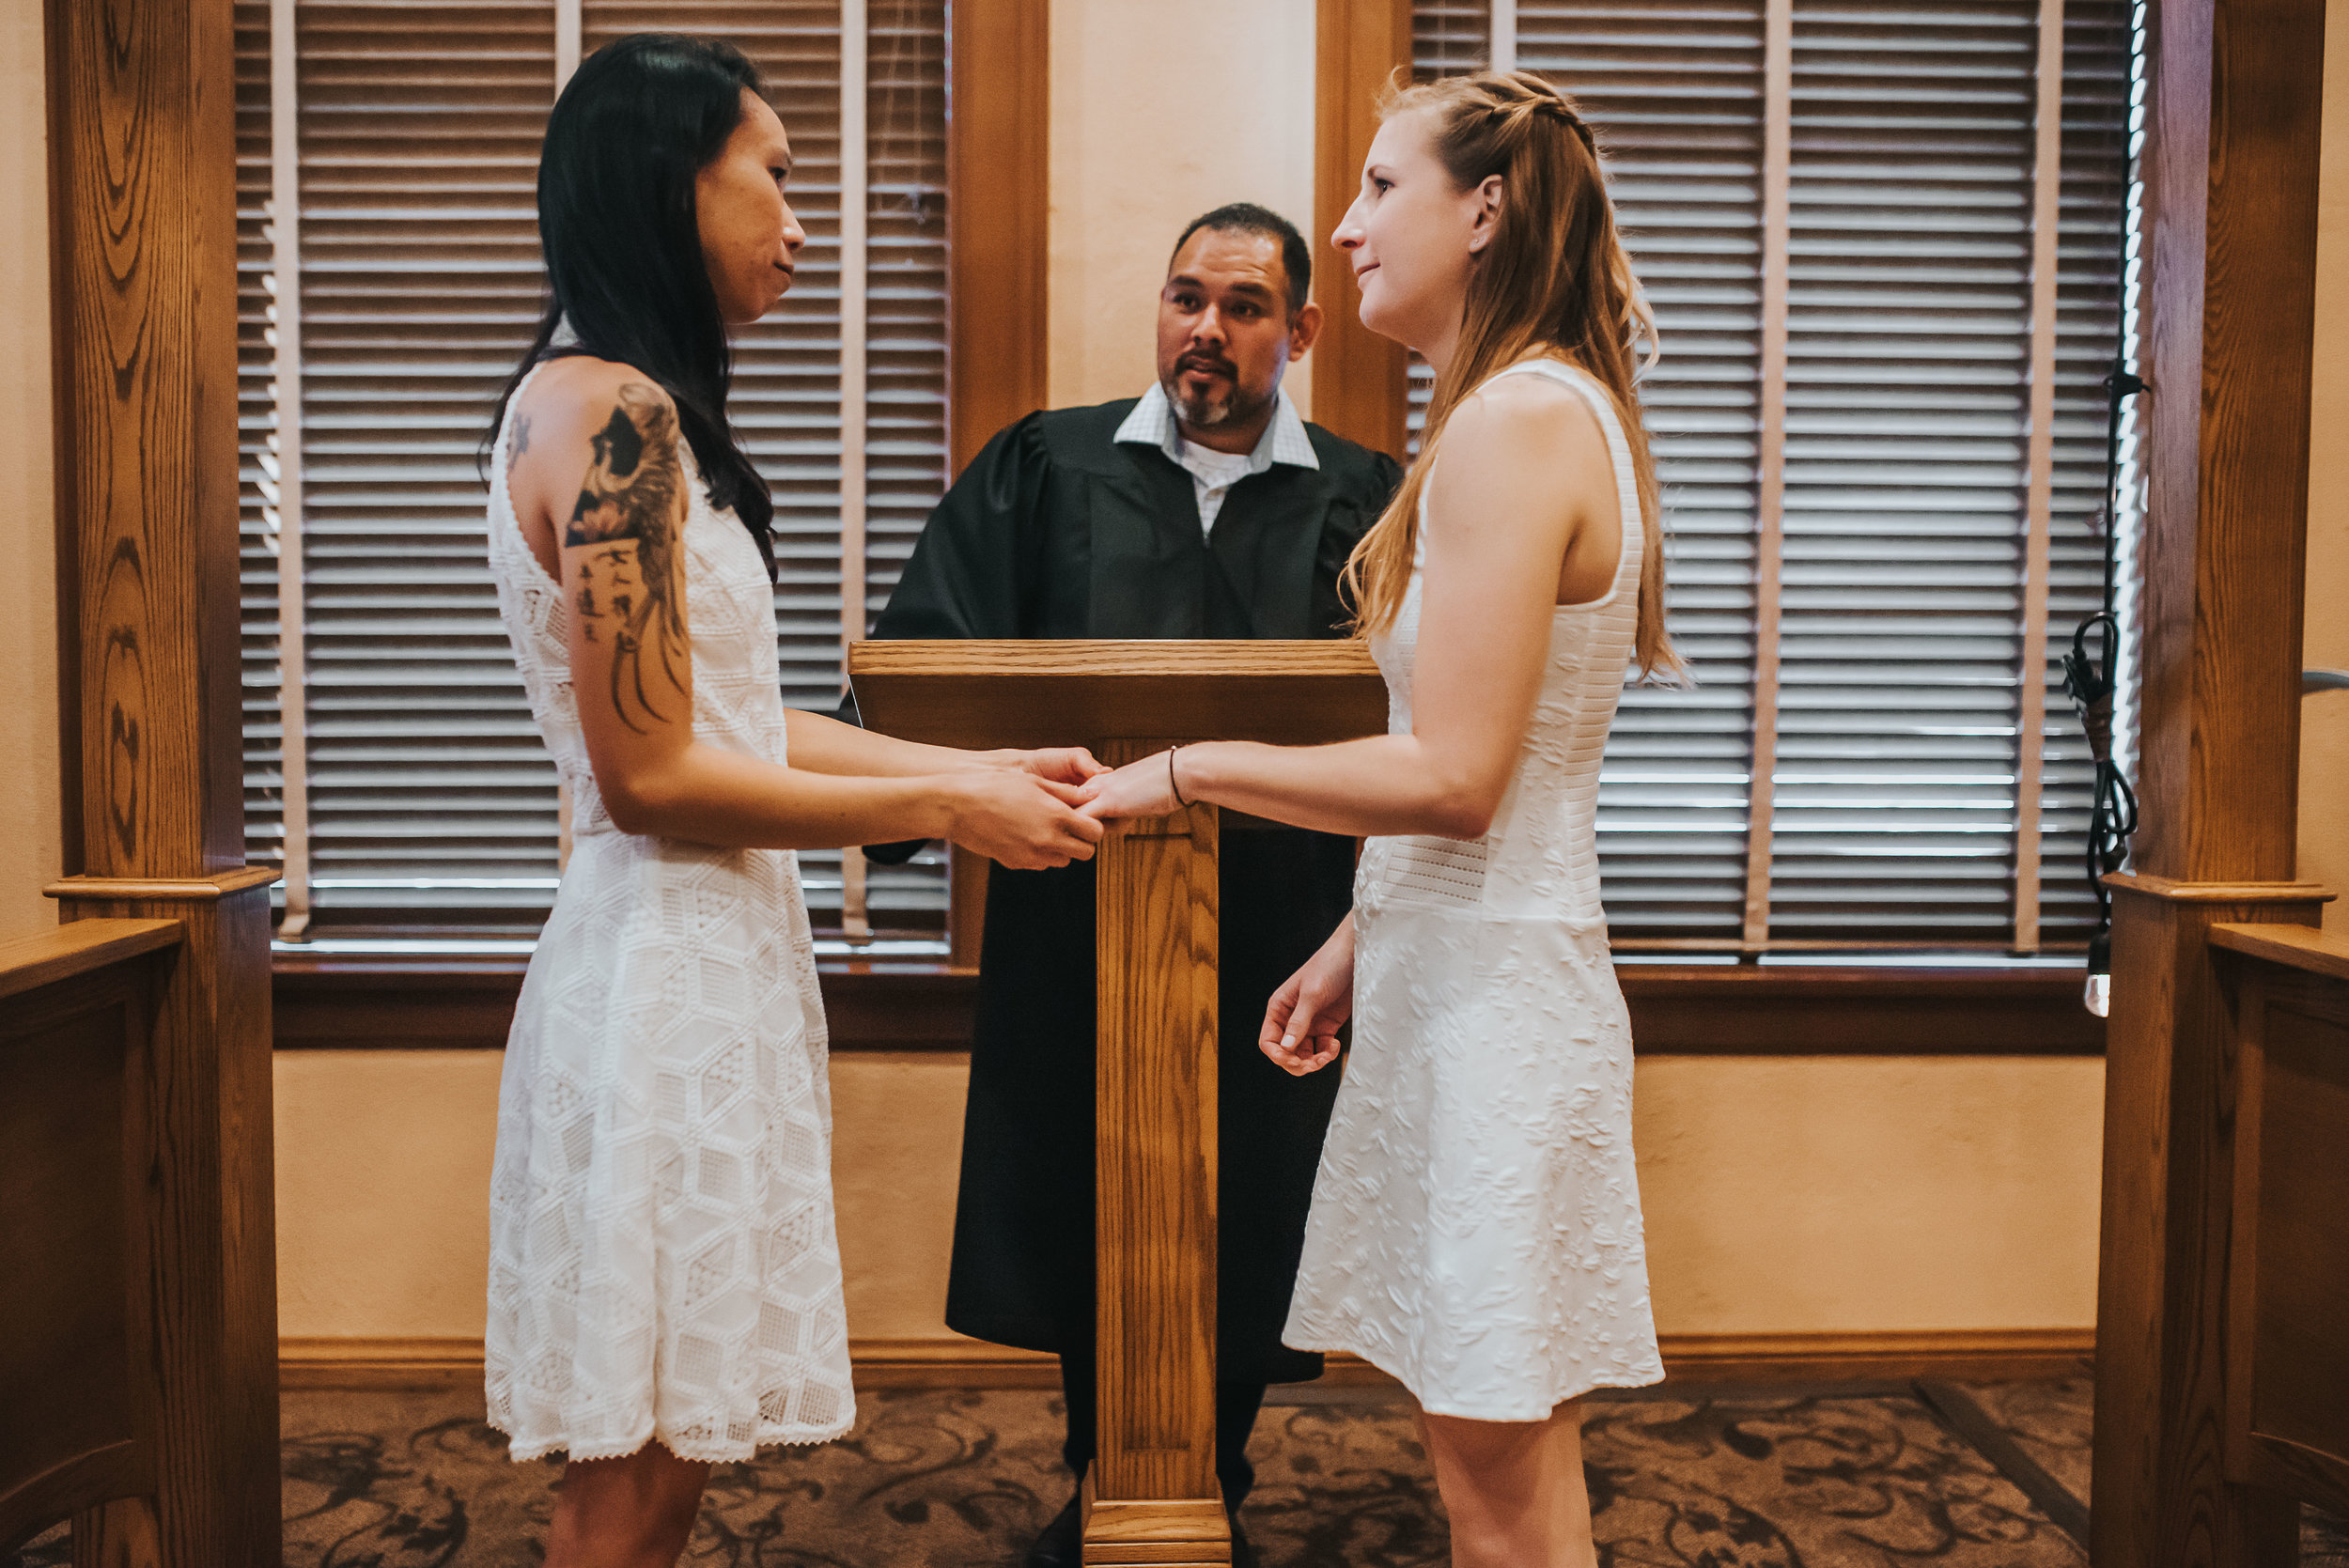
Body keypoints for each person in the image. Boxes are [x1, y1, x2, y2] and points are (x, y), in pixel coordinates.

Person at [478, 36, 1104, 1568]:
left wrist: (966, 769)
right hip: (661, 975)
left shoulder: (617, 407)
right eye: (774, 174)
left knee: (673, 1446)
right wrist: (944, 819)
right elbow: (653, 777)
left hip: (710, 965)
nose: (800, 220)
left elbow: (740, 724)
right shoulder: (616, 418)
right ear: (667, 182)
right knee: (630, 1467)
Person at [1080, 71, 1678, 1568]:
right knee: (1510, 1465)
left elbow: (1458, 776)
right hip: (1471, 966)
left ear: (1484, 209)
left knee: (1494, 1486)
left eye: (1378, 188)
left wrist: (1186, 769)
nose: (1344, 231)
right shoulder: (1540, 411)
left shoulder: (1515, 426)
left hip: (1494, 1011)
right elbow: (1495, 771)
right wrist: (1361, 932)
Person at [856, 204, 1404, 1566]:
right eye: (1182, 297)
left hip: (1282, 922)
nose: (1204, 328)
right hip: (1079, 909)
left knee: (1255, 1202)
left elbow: (1425, 713)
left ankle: (1210, 1470)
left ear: (1302, 328)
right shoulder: (1046, 465)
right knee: (1091, 1192)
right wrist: (913, 798)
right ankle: (1111, 1473)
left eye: (1241, 303)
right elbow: (934, 659)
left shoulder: (1369, 493)